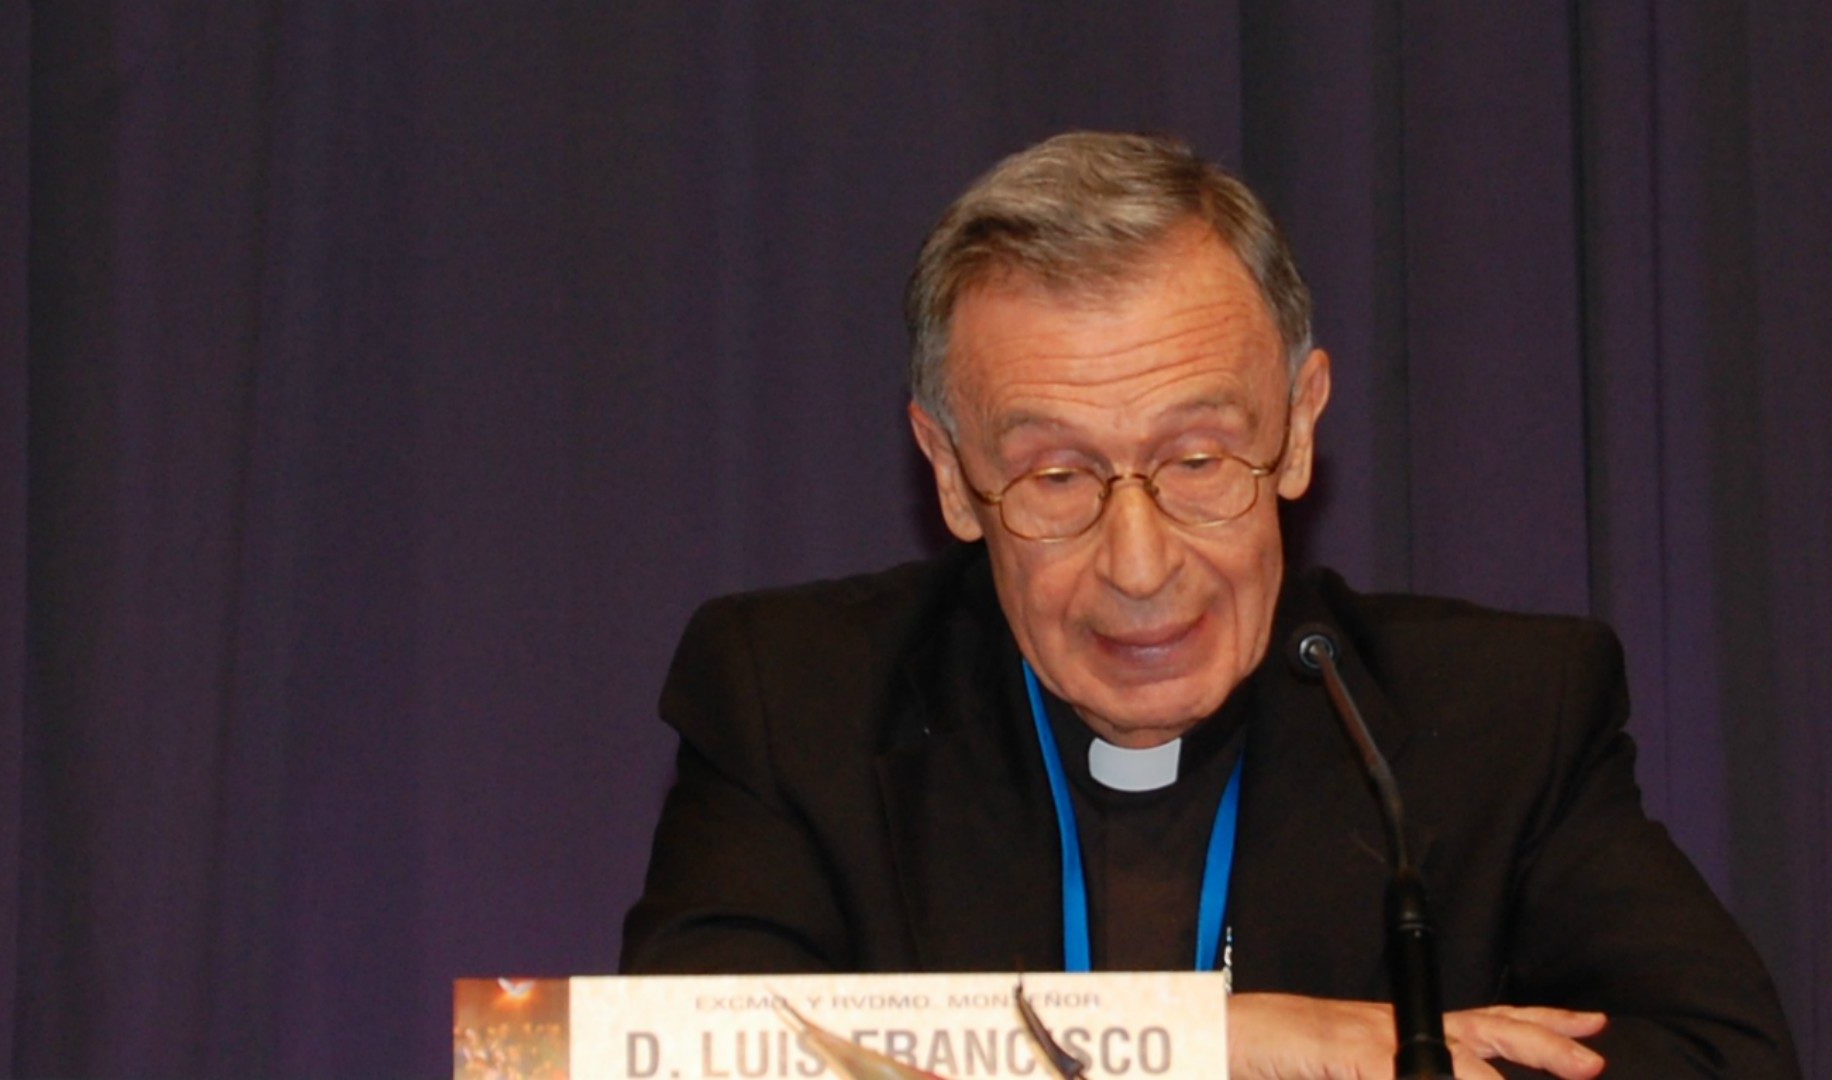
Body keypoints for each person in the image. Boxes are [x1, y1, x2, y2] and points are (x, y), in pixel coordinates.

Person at [620, 132, 1798, 1078]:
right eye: (1056, 477)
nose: (1139, 565)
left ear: (1298, 426)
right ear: (949, 472)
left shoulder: (1497, 719)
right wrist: (1216, 1049)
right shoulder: (793, 700)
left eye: (1196, 461)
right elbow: (658, 1062)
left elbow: (1723, 1057)